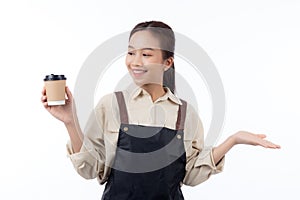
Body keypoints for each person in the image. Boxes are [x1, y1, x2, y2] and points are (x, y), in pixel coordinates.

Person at [41, 21, 280, 200]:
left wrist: (233, 140)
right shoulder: (111, 104)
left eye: (146, 54)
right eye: (131, 52)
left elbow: (191, 176)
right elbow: (90, 169)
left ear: (167, 62)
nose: (135, 61)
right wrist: (69, 120)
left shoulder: (185, 114)